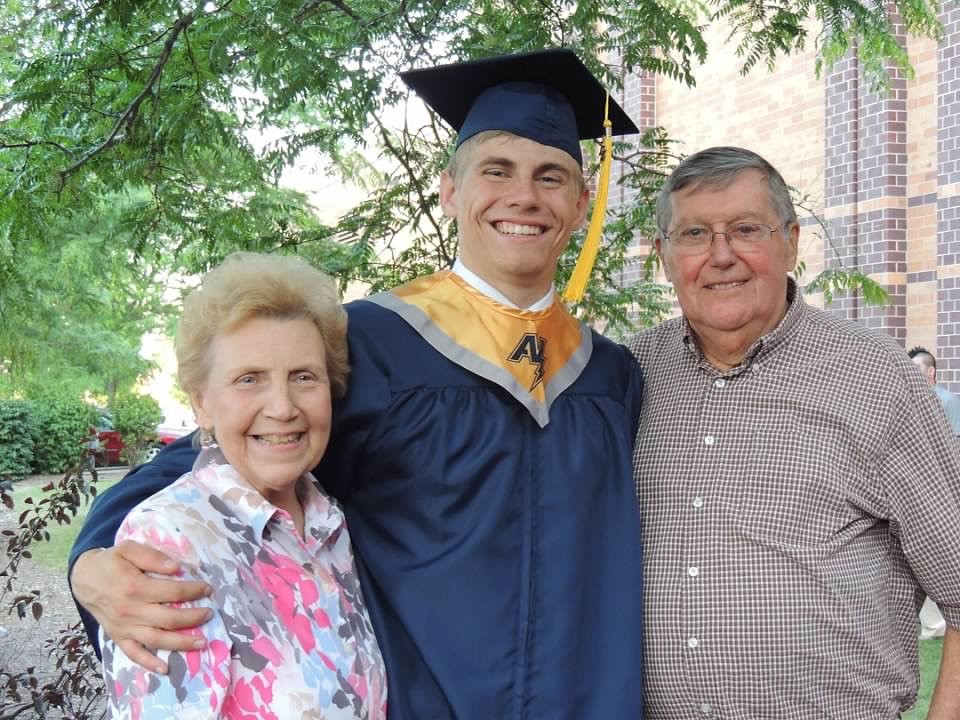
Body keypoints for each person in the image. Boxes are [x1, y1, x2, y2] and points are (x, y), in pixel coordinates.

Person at [68, 49, 646, 719]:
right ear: (450, 191)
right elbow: (210, 460)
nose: (524, 196)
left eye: (552, 177)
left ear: (580, 204)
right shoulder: (370, 342)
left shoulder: (609, 375)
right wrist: (92, 562)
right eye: (496, 170)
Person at [630, 146, 960, 719]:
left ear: (791, 241)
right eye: (694, 234)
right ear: (663, 256)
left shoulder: (876, 377)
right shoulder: (629, 378)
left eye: (746, 229)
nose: (721, 255)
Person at [101, 253, 386, 718]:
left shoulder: (329, 522)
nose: (283, 407)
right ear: (202, 404)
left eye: (303, 377)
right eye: (249, 379)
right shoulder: (170, 542)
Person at [907, 345, 958, 641]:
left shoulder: (947, 402)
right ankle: (932, 623)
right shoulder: (914, 401)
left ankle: (937, 623)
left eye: (916, 370)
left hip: (941, 494)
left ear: (931, 373)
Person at [909, 345, 960, 435]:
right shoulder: (907, 399)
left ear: (931, 372)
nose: (910, 372)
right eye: (908, 369)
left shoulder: (948, 401)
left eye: (915, 368)